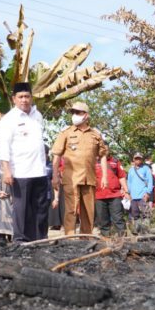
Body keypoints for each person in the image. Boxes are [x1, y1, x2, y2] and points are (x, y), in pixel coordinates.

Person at [0, 82, 49, 243]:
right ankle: (20, 240)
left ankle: (40, 239)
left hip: (39, 170)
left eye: (27, 96)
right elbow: (3, 147)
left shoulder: (37, 115)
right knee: (21, 208)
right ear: (14, 99)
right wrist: (6, 170)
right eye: (20, 97)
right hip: (20, 172)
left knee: (40, 208)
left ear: (31, 98)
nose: (24, 100)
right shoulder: (8, 119)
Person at [51, 101, 108, 236]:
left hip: (89, 178)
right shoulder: (65, 132)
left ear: (86, 115)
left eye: (77, 112)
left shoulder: (95, 134)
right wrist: (54, 176)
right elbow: (57, 155)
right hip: (71, 178)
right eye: (73, 113)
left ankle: (86, 238)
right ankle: (69, 239)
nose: (74, 115)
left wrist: (105, 176)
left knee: (89, 211)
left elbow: (103, 155)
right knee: (70, 209)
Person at [95, 151, 128, 237]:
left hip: (115, 195)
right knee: (103, 221)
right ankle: (106, 239)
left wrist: (126, 191)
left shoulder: (115, 161)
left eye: (106, 149)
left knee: (118, 219)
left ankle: (123, 239)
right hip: (99, 196)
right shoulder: (94, 162)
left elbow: (121, 177)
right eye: (102, 150)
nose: (104, 151)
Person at [127, 153, 154, 232]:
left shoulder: (146, 169)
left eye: (139, 158)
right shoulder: (131, 170)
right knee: (135, 214)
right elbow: (129, 182)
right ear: (133, 160)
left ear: (142, 159)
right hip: (133, 196)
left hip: (143, 195)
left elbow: (150, 181)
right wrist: (129, 193)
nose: (138, 160)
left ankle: (146, 230)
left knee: (145, 213)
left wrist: (148, 193)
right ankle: (137, 230)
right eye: (136, 158)